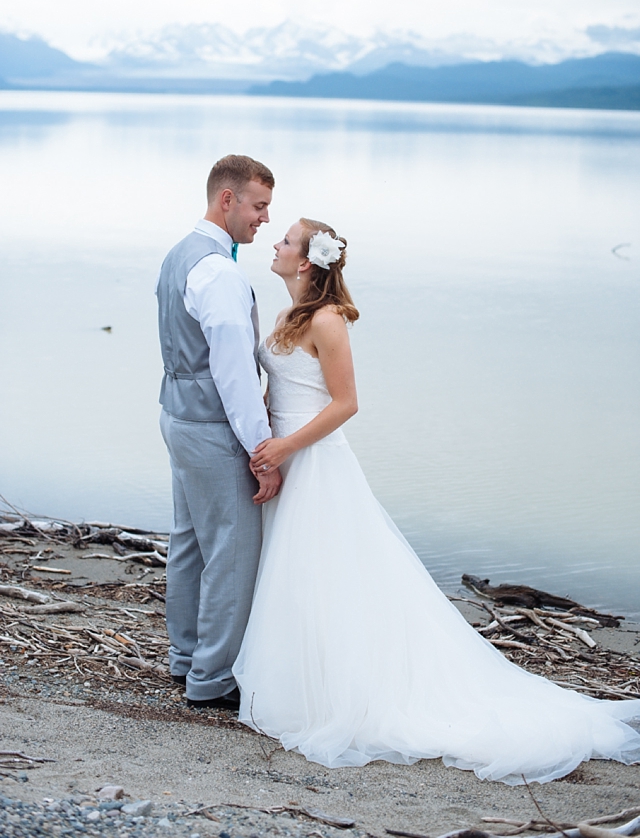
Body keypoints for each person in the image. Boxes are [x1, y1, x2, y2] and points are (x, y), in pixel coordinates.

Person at [232, 216, 640, 784]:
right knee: (296, 577)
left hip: (317, 463)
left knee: (325, 574)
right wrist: (263, 444)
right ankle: (301, 682)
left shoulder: (327, 321)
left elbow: (346, 403)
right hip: (283, 459)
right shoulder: (284, 316)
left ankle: (347, 695)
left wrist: (285, 447)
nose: (274, 244)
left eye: (285, 241)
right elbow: (278, 388)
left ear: (305, 261)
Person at [157, 154, 281, 709]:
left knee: (189, 543)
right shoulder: (220, 273)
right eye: (258, 207)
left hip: (176, 414)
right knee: (231, 551)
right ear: (226, 199)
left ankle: (185, 659)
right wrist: (262, 451)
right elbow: (234, 374)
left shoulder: (179, 255)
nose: (264, 220)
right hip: (210, 425)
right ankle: (212, 679)